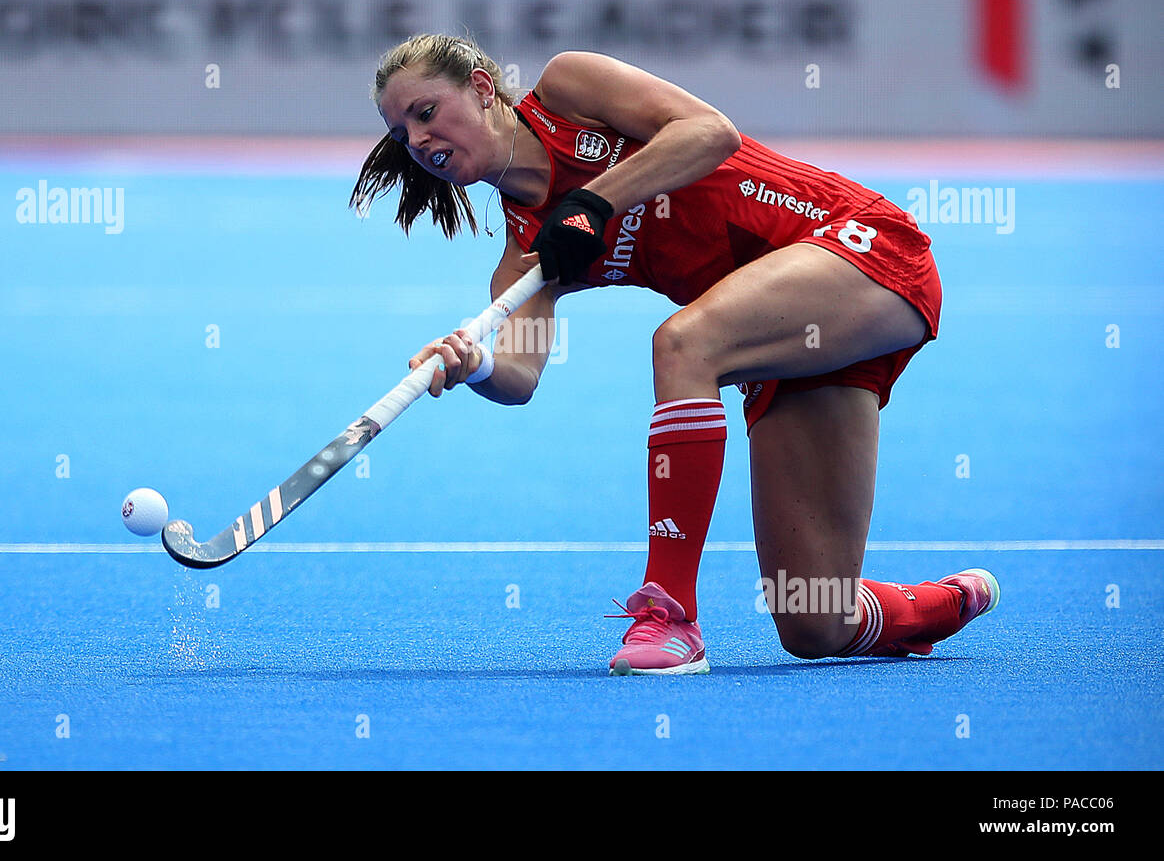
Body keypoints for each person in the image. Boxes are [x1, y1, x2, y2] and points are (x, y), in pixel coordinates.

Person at [351, 33, 998, 675]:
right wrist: (474, 365)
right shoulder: (525, 255)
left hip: (857, 245)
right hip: (792, 339)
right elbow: (520, 376)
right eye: (403, 134)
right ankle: (945, 602)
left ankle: (668, 615)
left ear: (482, 87)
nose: (418, 141)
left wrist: (595, 201)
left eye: (425, 112)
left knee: (684, 343)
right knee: (815, 619)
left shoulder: (568, 91)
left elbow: (711, 132)